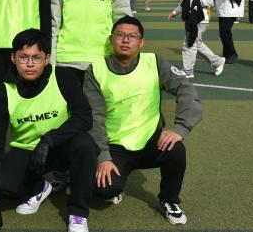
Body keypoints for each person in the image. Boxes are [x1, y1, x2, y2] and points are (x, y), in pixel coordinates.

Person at [84, 16, 202, 226]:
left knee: (176, 150)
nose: (125, 40)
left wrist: (180, 128)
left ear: (141, 42)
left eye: (132, 36)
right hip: (114, 146)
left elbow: (185, 88)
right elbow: (95, 117)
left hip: (150, 141)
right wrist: (102, 156)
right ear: (111, 39)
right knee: (104, 189)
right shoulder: (96, 69)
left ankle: (169, 200)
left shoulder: (154, 62)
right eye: (120, 35)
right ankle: (115, 186)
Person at [0, 29, 96, 232]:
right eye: (23, 57)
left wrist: (49, 140)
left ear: (47, 58)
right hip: (26, 151)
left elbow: (84, 118)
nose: (30, 64)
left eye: (36, 57)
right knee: (1, 186)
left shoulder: (63, 77)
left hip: (60, 147)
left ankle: (78, 213)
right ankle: (40, 187)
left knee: (84, 144)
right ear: (13, 58)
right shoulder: (2, 91)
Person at [168, 0, 225, 78]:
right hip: (192, 18)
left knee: (189, 43)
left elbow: (209, 1)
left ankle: (187, 71)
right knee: (196, 43)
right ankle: (217, 61)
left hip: (200, 19)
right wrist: (175, 12)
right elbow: (186, 2)